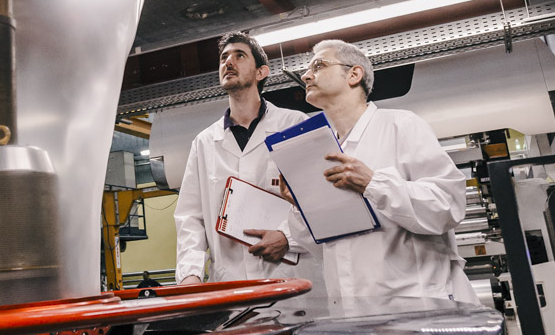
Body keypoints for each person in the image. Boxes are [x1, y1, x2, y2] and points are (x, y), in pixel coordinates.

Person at [252, 39, 477, 303]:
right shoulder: (321, 152)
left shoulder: (401, 125)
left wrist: (374, 183)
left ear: (354, 74)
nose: (305, 75)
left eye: (319, 65)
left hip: (415, 305)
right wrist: (303, 207)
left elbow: (448, 206)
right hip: (351, 309)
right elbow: (328, 249)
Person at [174, 32, 304, 285]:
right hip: (230, 282)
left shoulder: (294, 124)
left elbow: (320, 200)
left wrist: (289, 237)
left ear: (261, 72)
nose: (228, 62)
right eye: (224, 58)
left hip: (289, 277)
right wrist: (190, 274)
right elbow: (190, 217)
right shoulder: (204, 142)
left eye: (239, 56)